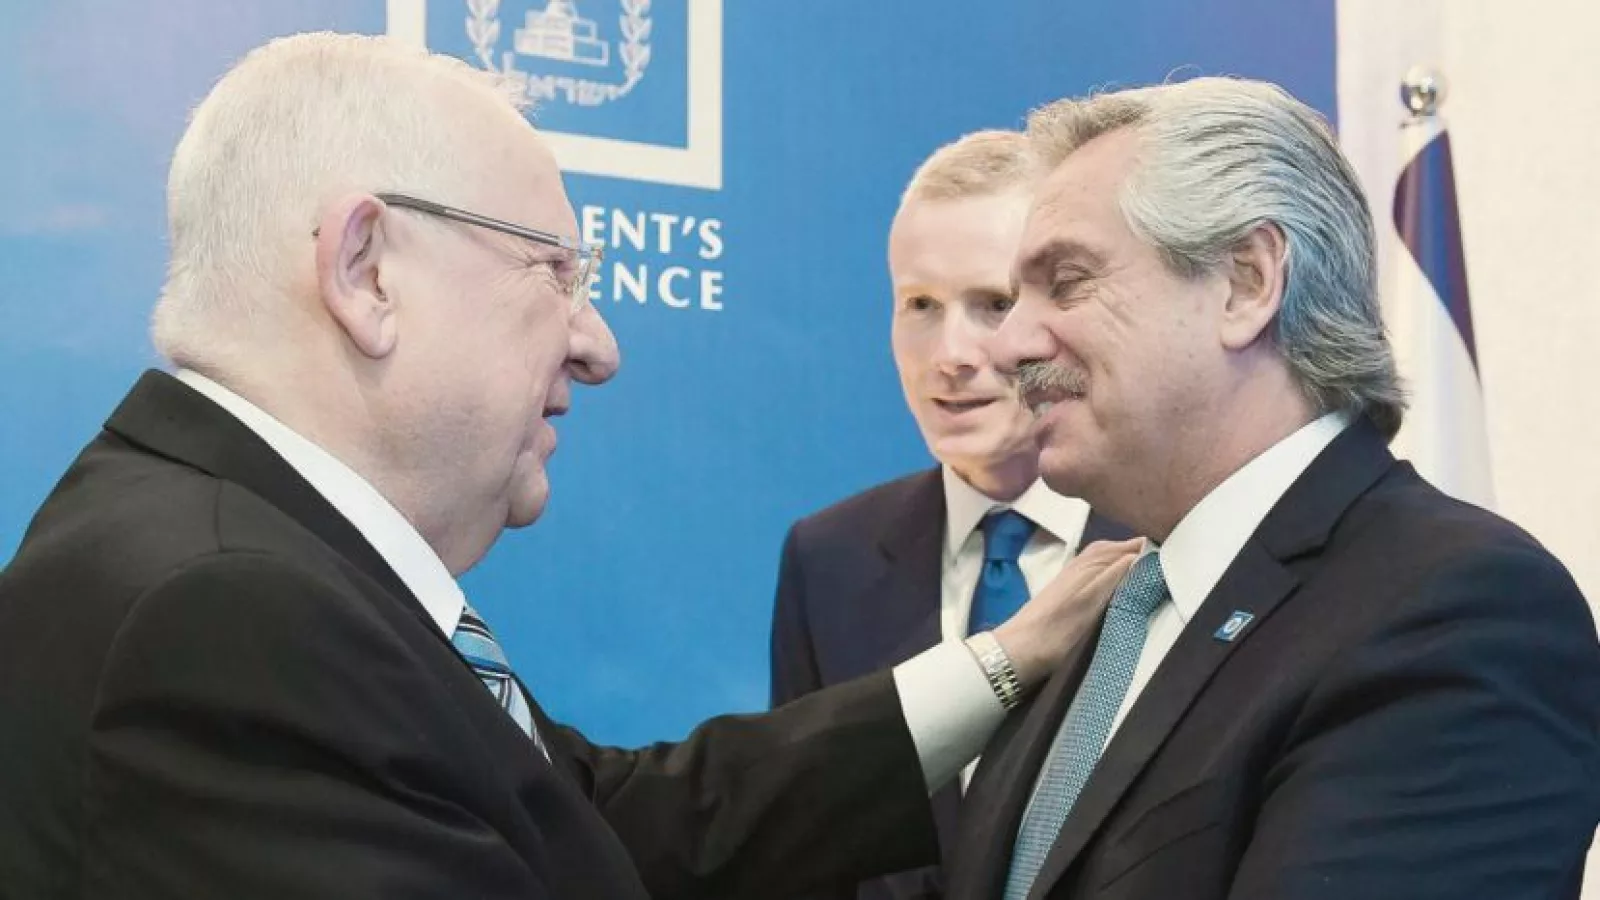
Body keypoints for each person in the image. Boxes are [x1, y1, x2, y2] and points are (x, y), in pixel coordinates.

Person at [0, 33, 1140, 900]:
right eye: (556, 272)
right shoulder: (227, 612)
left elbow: (594, 818)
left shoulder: (246, 561)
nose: (598, 344)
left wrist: (999, 665)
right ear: (366, 271)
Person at [942, 76, 1600, 900]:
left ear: (1247, 282)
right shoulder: (1097, 613)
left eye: (1067, 280)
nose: (1006, 346)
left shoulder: (1457, 608)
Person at [769, 130, 1129, 900]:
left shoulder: (1163, 544)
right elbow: (797, 846)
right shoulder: (828, 557)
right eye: (921, 305)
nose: (951, 354)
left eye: (993, 303)